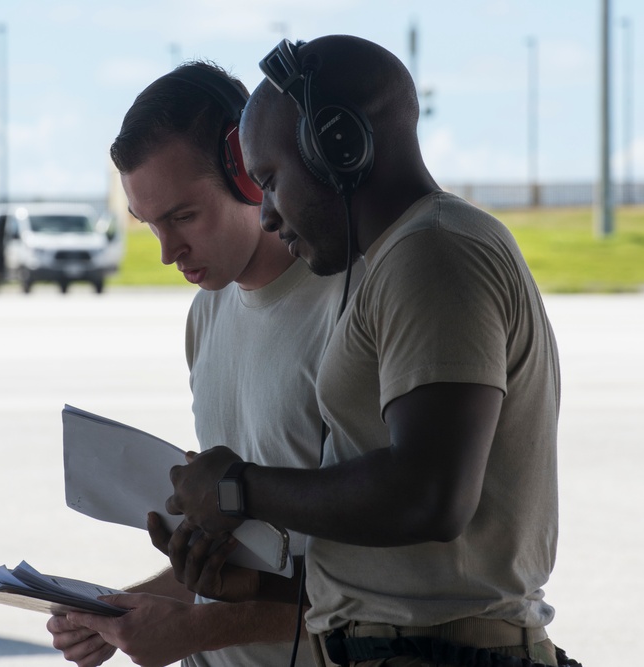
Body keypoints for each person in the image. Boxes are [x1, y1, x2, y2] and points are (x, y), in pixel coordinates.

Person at [164, 35, 576, 667]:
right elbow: (405, 559)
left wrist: (237, 489)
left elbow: (428, 495)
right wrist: (254, 587)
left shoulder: (434, 254)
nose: (268, 215)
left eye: (272, 180)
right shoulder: (395, 262)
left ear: (338, 150)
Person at [46, 62, 358, 667]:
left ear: (249, 176)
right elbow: (244, 558)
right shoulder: (206, 315)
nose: (168, 253)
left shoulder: (350, 306)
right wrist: (118, 612)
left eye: (183, 217)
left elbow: (379, 587)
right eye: (150, 224)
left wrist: (193, 632)